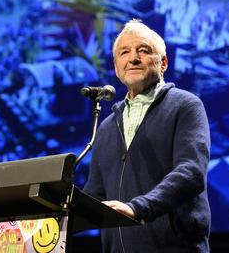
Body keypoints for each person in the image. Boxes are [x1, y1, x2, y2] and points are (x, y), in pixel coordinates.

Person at [84, 19, 210, 252]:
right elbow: (93, 197)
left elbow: (191, 172)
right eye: (124, 52)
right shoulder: (106, 127)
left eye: (143, 51)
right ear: (116, 66)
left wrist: (138, 208)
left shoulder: (185, 106)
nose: (133, 58)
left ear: (163, 63)